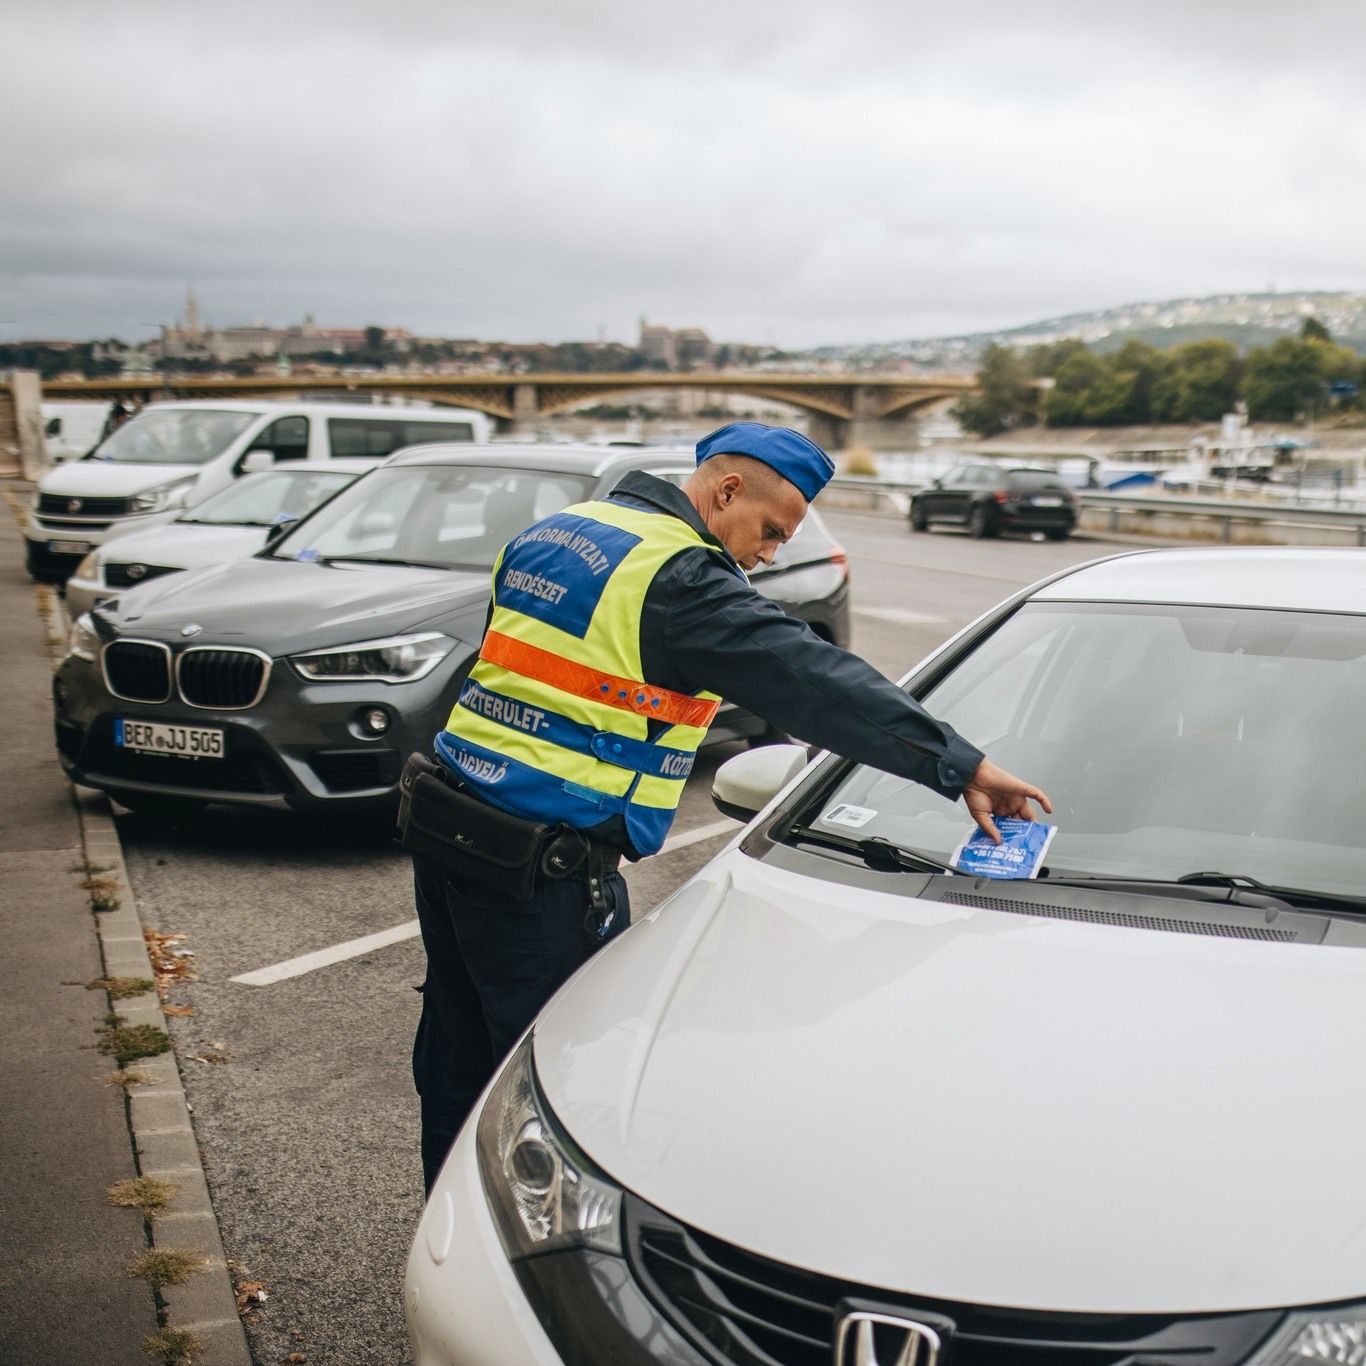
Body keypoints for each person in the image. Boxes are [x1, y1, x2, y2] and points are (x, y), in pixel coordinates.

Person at [407, 422, 1051, 1193]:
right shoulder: (677, 579)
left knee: (456, 1061)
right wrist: (960, 765)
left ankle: (446, 1221)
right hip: (540, 870)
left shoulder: (557, 532)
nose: (771, 554)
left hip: (449, 830)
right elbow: (813, 681)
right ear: (726, 490)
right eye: (772, 531)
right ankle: (519, 1262)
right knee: (553, 1087)